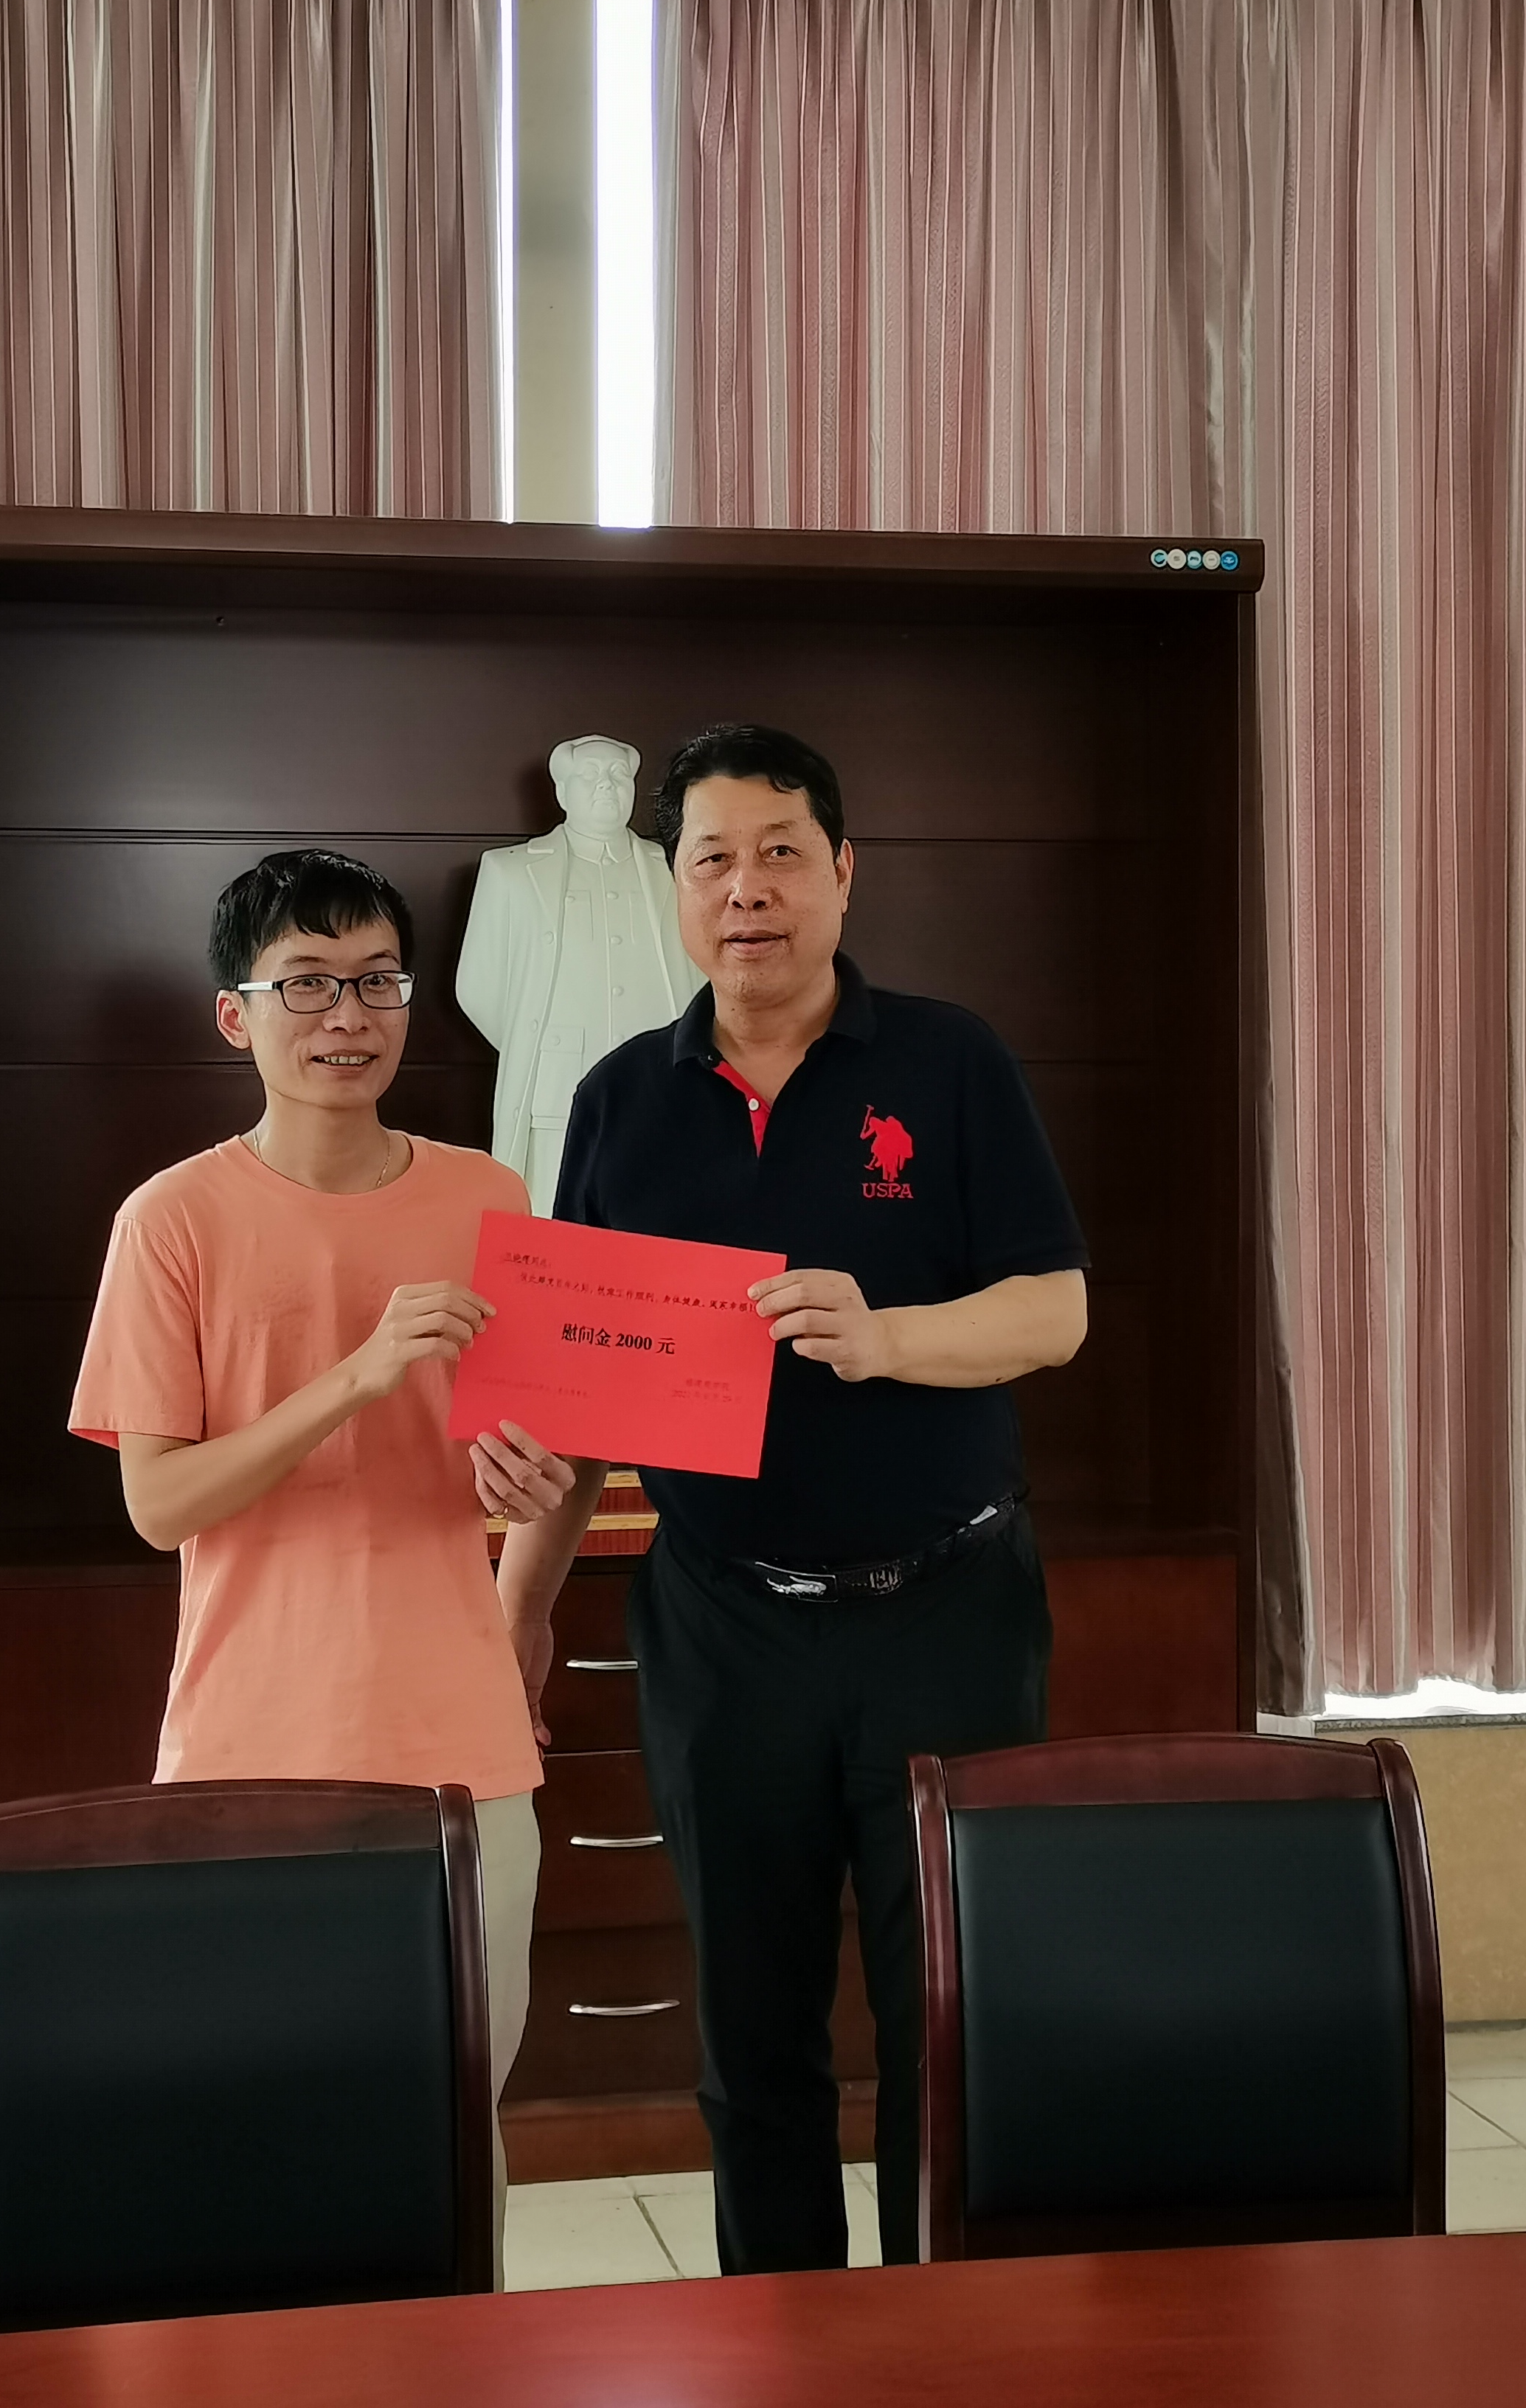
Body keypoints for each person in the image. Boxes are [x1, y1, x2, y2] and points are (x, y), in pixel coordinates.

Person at [495, 727, 1090, 2275]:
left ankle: (944, 2349)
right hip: (724, 1629)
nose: (745, 888)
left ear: (841, 872)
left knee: (947, 2024)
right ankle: (783, 2349)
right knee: (753, 2041)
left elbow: (1054, 1311)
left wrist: (884, 1340)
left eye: (779, 853)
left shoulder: (948, 1064)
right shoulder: (622, 1101)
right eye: (712, 859)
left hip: (946, 1617)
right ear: (677, 891)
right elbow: (580, 1387)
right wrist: (518, 1612)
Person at [69, 847, 582, 2240]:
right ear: (235, 1015)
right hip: (251, 1747)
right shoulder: (170, 1220)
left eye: (376, 982)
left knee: (453, 2130)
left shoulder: (493, 1197)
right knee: (256, 2127)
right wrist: (354, 1378)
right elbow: (160, 1504)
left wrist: (533, 1486)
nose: (348, 1016)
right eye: (307, 984)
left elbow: (545, 1463)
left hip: (464, 1745)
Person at [457, 735, 704, 1213]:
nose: (606, 785)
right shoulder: (510, 871)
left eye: (618, 775)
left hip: (659, 1085)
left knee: (657, 1221)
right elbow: (478, 987)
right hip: (554, 1088)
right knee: (552, 1222)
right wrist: (535, 1042)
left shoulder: (674, 869)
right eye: (590, 775)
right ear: (562, 791)